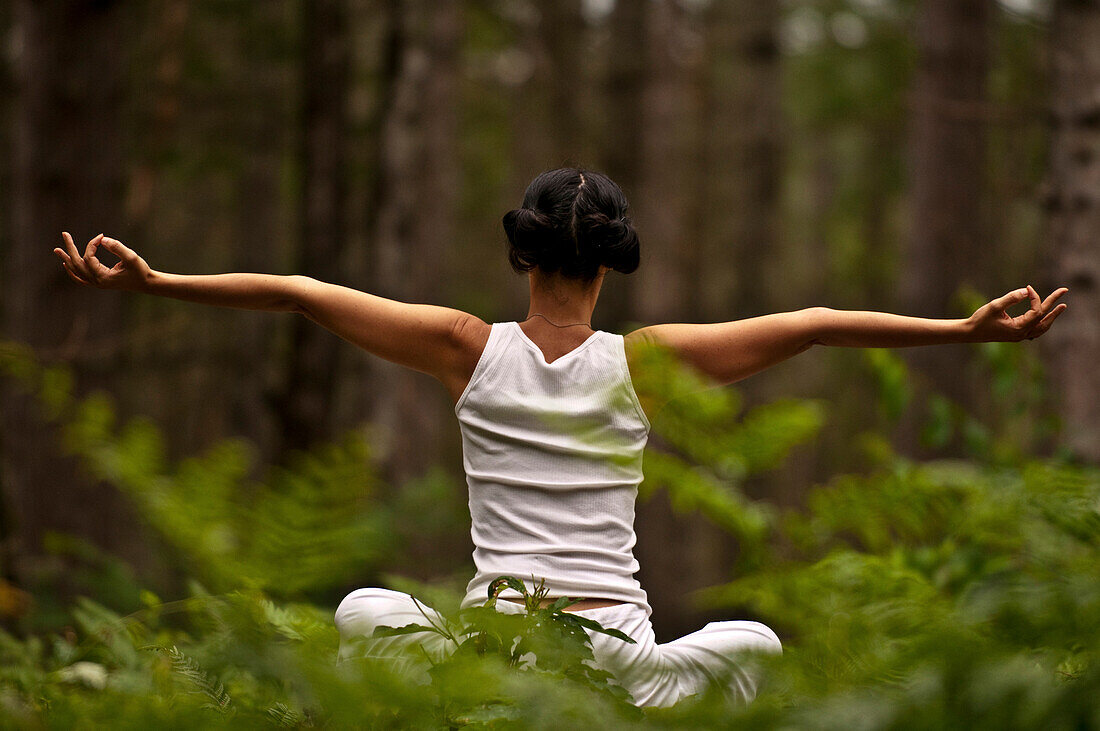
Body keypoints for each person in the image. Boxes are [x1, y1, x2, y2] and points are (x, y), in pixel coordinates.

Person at [53, 167, 1068, 708]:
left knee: (366, 609)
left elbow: (301, 295)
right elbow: (810, 324)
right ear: (610, 264)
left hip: (494, 647)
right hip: (623, 664)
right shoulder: (645, 362)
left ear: (520, 252)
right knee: (752, 641)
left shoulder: (460, 345)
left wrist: (158, 280)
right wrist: (959, 329)